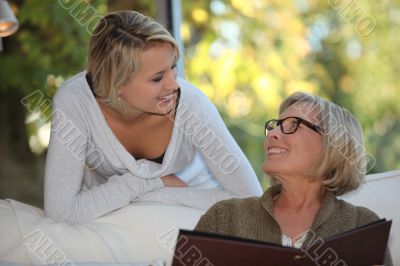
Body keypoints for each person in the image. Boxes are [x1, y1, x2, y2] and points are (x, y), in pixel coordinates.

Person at [44, 10, 262, 224]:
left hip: (193, 200)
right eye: (158, 78)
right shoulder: (74, 102)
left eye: (173, 67)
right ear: (117, 84)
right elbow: (61, 212)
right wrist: (145, 183)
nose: (174, 85)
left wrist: (159, 193)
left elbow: (250, 201)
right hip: (108, 214)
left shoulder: (192, 106)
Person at [195, 92, 392, 265]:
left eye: (293, 125)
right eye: (275, 125)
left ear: (332, 145)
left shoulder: (362, 226)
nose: (272, 133)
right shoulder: (224, 218)